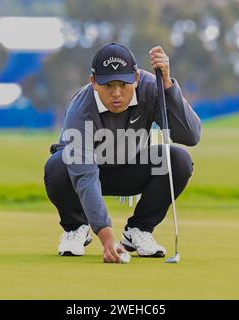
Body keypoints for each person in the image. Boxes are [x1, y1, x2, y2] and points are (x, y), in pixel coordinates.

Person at [44, 42, 201, 263]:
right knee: (58, 165)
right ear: (94, 82)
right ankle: (75, 227)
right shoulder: (80, 108)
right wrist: (106, 237)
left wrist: (167, 86)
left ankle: (139, 230)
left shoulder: (150, 87)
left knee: (178, 160)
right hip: (86, 174)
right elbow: (85, 176)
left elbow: (190, 135)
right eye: (108, 85)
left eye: (124, 84)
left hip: (130, 170)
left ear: (136, 78)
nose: (116, 93)